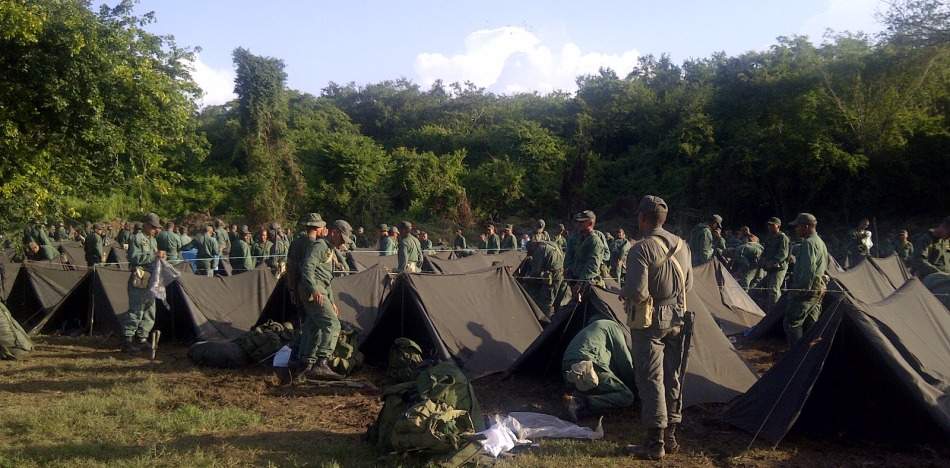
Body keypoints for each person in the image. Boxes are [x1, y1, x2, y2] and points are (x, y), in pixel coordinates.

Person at [620, 195, 693, 461]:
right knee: (673, 375)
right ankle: (671, 436)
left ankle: (654, 442)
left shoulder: (640, 248)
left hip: (651, 320)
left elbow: (638, 294)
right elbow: (689, 285)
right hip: (679, 315)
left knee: (650, 377)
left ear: (642, 217)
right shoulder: (683, 245)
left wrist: (624, 292)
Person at [293, 219, 353, 380]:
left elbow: (326, 278)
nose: (342, 243)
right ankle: (322, 363)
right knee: (333, 325)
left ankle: (306, 364)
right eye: (342, 238)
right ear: (334, 233)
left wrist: (331, 300)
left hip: (319, 290)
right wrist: (314, 290)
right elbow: (308, 268)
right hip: (313, 291)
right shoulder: (320, 246)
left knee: (314, 327)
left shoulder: (328, 249)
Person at [562, 319, 637, 421]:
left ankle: (579, 394)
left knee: (595, 386)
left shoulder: (591, 330)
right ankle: (579, 402)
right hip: (588, 364)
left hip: (568, 366)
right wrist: (634, 385)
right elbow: (623, 358)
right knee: (626, 396)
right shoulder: (611, 325)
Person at [121, 213, 167, 353]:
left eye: (156, 227)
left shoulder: (152, 240)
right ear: (145, 224)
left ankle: (142, 337)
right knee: (136, 309)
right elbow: (134, 258)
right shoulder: (137, 238)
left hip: (151, 279)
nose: (155, 229)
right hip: (140, 278)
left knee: (149, 309)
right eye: (153, 227)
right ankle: (128, 340)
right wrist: (153, 255)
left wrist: (161, 257)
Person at [784, 213, 829, 349]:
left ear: (805, 227)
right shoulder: (820, 242)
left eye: (798, 226)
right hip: (818, 289)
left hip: (807, 290)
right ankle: (810, 355)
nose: (796, 229)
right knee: (811, 324)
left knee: (792, 323)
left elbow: (807, 270)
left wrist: (801, 289)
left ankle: (796, 356)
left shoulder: (808, 244)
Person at [524, 239, 566, 318]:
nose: (532, 254)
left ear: (532, 246)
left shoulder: (539, 250)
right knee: (558, 302)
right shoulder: (552, 244)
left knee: (546, 302)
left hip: (552, 277)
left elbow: (536, 271)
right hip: (562, 274)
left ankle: (545, 322)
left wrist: (528, 280)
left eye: (531, 251)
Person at [570, 210, 607, 296]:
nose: (579, 224)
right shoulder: (583, 239)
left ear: (590, 224)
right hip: (579, 281)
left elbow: (592, 266)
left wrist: (580, 283)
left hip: (588, 284)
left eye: (582, 222)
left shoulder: (594, 241)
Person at [759, 217, 790, 311]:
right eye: (769, 225)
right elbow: (765, 251)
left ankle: (776, 311)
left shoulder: (782, 237)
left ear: (778, 226)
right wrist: (762, 259)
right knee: (769, 289)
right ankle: (772, 308)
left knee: (774, 289)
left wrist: (772, 262)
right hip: (770, 267)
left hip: (779, 267)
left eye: (772, 225)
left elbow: (783, 253)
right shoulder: (769, 237)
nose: (770, 227)